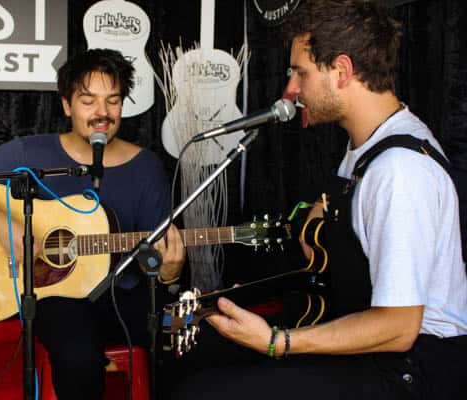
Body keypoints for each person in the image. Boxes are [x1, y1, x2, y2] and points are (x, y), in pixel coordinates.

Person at [167, 1, 467, 399]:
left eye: (300, 72)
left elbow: (398, 327)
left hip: (412, 367)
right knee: (194, 352)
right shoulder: (366, 147)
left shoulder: (400, 172)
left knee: (204, 393)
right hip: (371, 341)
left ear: (341, 71)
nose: (291, 90)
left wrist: (277, 342)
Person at [0, 48, 186, 399]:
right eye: (88, 101)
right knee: (77, 355)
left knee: (184, 334)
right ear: (67, 105)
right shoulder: (29, 153)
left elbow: (153, 261)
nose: (102, 113)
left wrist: (169, 272)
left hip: (123, 297)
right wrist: (2, 224)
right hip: (57, 297)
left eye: (113, 101)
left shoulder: (146, 167)